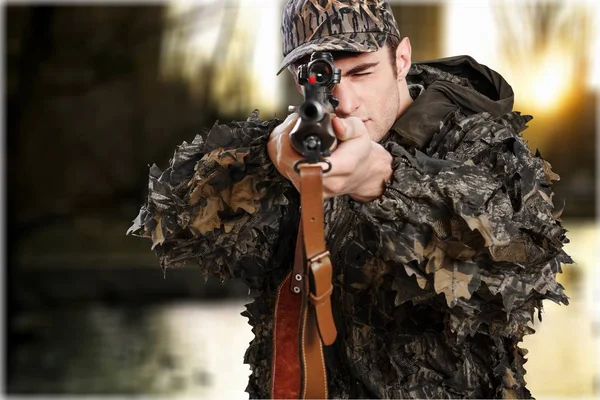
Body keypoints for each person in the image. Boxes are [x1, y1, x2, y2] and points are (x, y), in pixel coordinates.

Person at [128, 0, 571, 398]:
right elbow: (170, 227)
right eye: (320, 80)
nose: (344, 101)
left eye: (362, 71)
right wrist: (266, 161)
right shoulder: (291, 150)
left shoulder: (480, 143)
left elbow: (520, 273)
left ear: (401, 59)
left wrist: (384, 182)